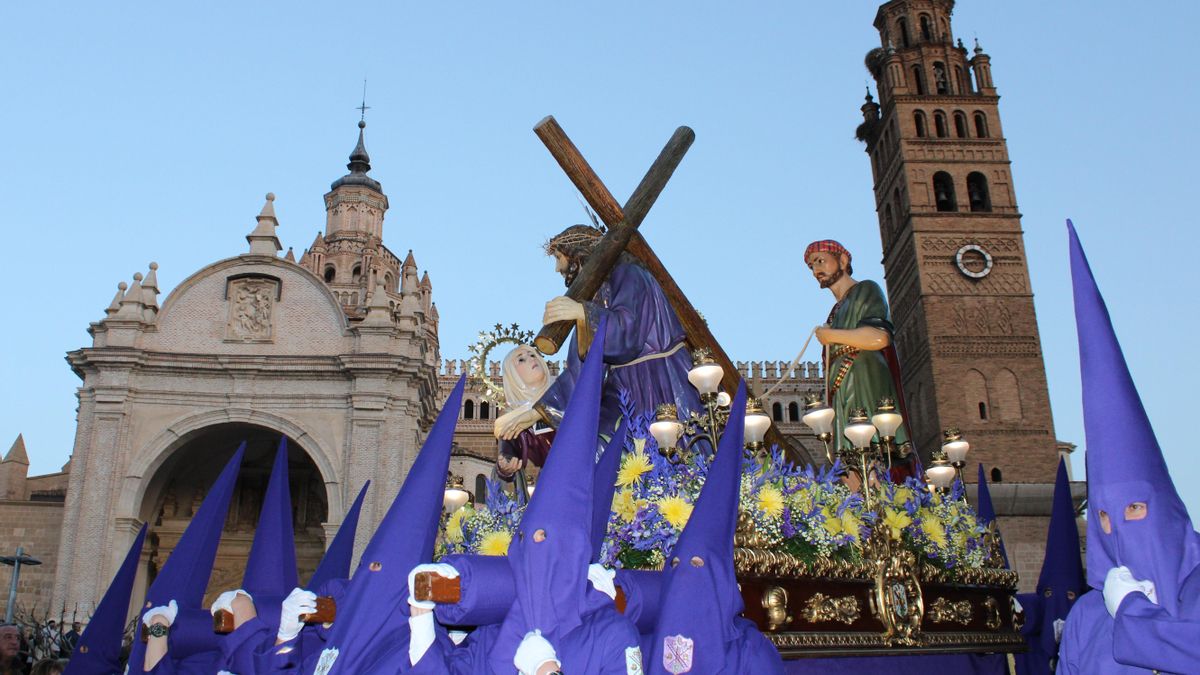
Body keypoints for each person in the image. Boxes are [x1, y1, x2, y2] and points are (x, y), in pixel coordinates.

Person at [1057, 222, 1200, 673]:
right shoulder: (1088, 614)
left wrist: (1134, 611)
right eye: (1102, 516)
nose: (1117, 525)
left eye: (1134, 509)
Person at [496, 224, 703, 452]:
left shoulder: (629, 274)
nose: (557, 268)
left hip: (658, 381)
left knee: (671, 460)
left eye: (558, 257)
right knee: (596, 455)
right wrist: (535, 413)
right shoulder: (594, 296)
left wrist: (582, 313)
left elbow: (628, 334)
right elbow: (581, 371)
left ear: (575, 253)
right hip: (626, 392)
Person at [646, 384, 784, 674]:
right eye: (676, 564)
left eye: (697, 564)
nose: (685, 574)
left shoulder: (750, 651)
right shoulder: (648, 647)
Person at [805, 239, 911, 474]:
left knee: (871, 452)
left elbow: (879, 338)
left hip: (865, 377)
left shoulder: (866, 289)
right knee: (849, 462)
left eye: (821, 261)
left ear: (843, 260)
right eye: (811, 265)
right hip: (843, 386)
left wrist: (831, 335)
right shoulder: (836, 311)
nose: (815, 270)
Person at [495, 344, 557, 479]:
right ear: (513, 375)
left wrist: (536, 413)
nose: (531, 359)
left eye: (533, 355)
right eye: (521, 359)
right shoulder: (514, 419)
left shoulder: (565, 387)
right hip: (557, 477)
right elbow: (508, 449)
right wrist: (506, 466)